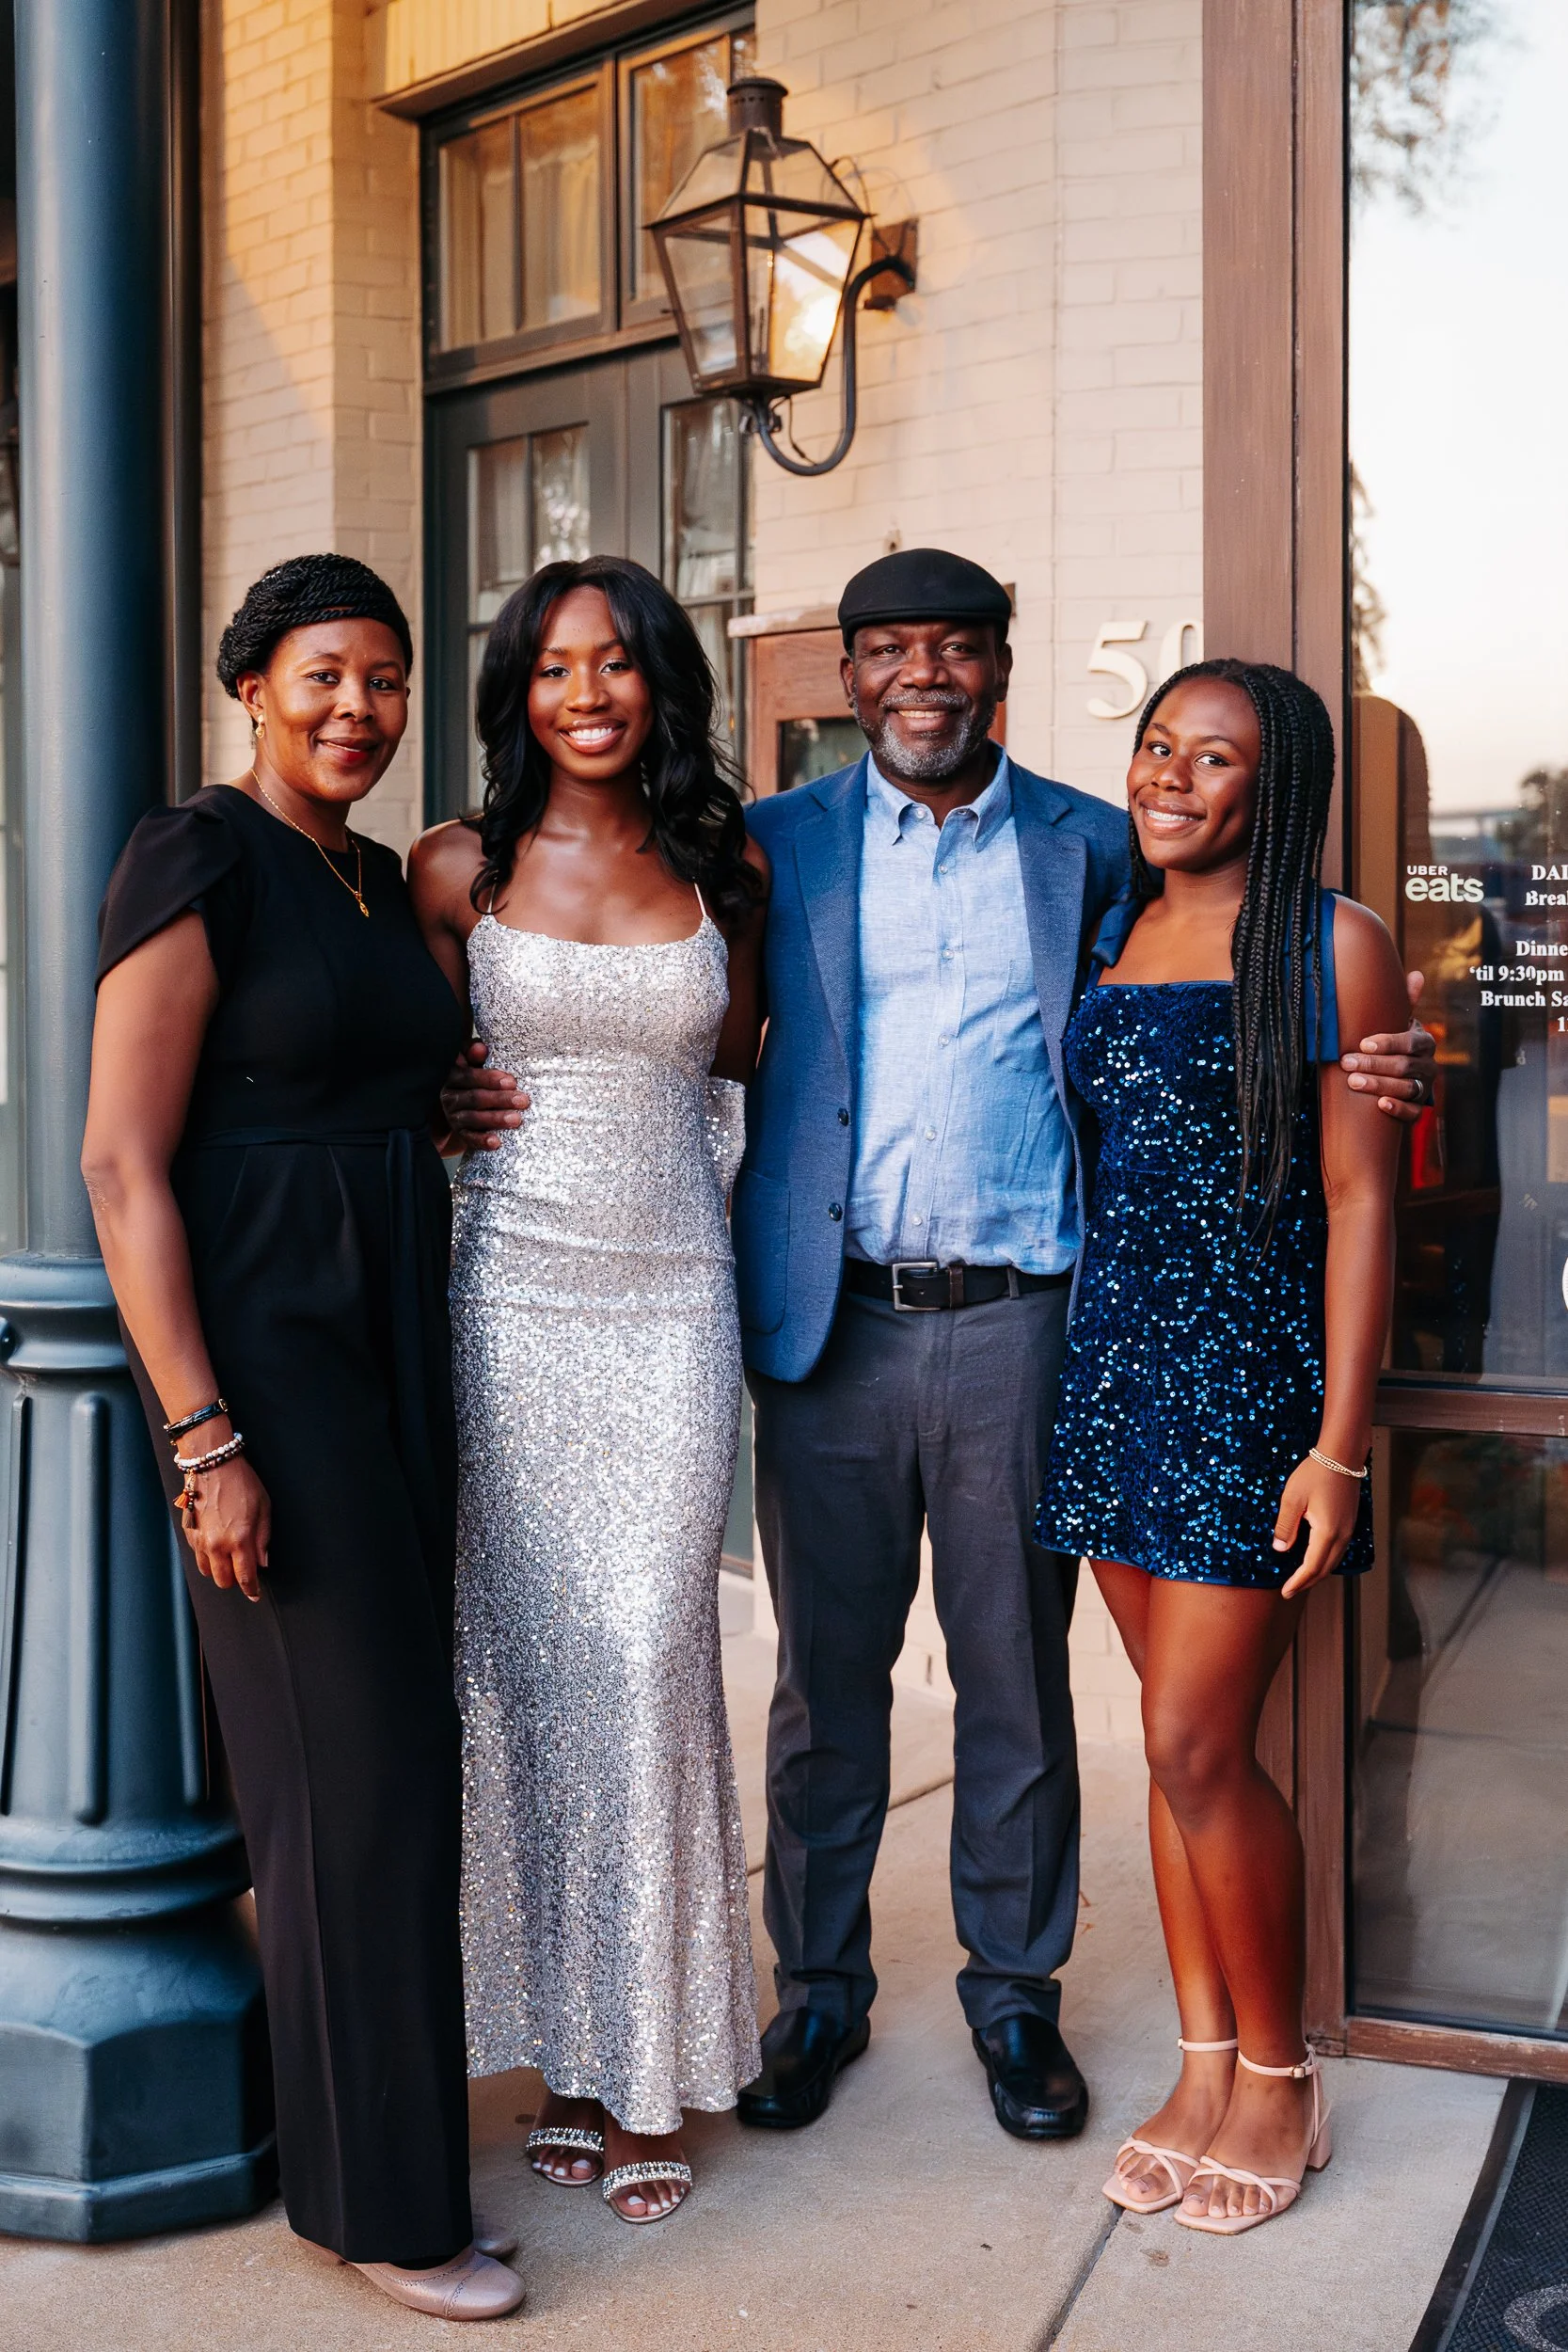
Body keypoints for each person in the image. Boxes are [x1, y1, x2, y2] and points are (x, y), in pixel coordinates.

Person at [448, 547, 1435, 2146]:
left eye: (957, 647)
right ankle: (815, 1991)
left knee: (1014, 1681)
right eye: (890, 648)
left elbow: (1249, 970)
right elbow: (625, 993)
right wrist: (459, 1090)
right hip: (827, 1319)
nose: (925, 674)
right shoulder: (757, 851)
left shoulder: (1099, 846)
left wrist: (1388, 1046)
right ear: (845, 678)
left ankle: (1012, 1997)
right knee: (824, 1694)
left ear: (1000, 665)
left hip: (1033, 1323)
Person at [83, 556, 524, 2322]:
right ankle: (378, 2210)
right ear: (251, 687)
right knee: (351, 1787)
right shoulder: (198, 854)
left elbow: (358, 1075)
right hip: (265, 1360)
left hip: (396, 1335)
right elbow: (123, 1161)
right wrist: (202, 1433)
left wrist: (447, 1098)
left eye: (389, 680)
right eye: (325, 676)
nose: (361, 709)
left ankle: (364, 2155)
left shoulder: (364, 880)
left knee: (389, 1773)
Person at [409, 554, 767, 2226]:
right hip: (512, 1302)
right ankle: (565, 2058)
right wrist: (434, 1115)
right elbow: (390, 1069)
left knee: (647, 1656)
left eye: (617, 664)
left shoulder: (726, 869)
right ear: (516, 695)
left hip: (671, 1300)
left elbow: (748, 1070)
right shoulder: (452, 870)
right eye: (554, 669)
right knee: (530, 1680)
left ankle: (656, 2066)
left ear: (659, 682)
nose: (588, 695)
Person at [1036, 659, 1403, 2236]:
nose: (1168, 776)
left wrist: (1339, 1450)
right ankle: (1199, 2069)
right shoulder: (1113, 923)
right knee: (1168, 1752)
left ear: (1280, 786)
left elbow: (1361, 1199)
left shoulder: (1334, 945)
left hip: (1249, 1393)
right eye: (1153, 746)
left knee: (1199, 1748)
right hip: (1113, 1376)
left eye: (1215, 758)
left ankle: (1282, 2078)